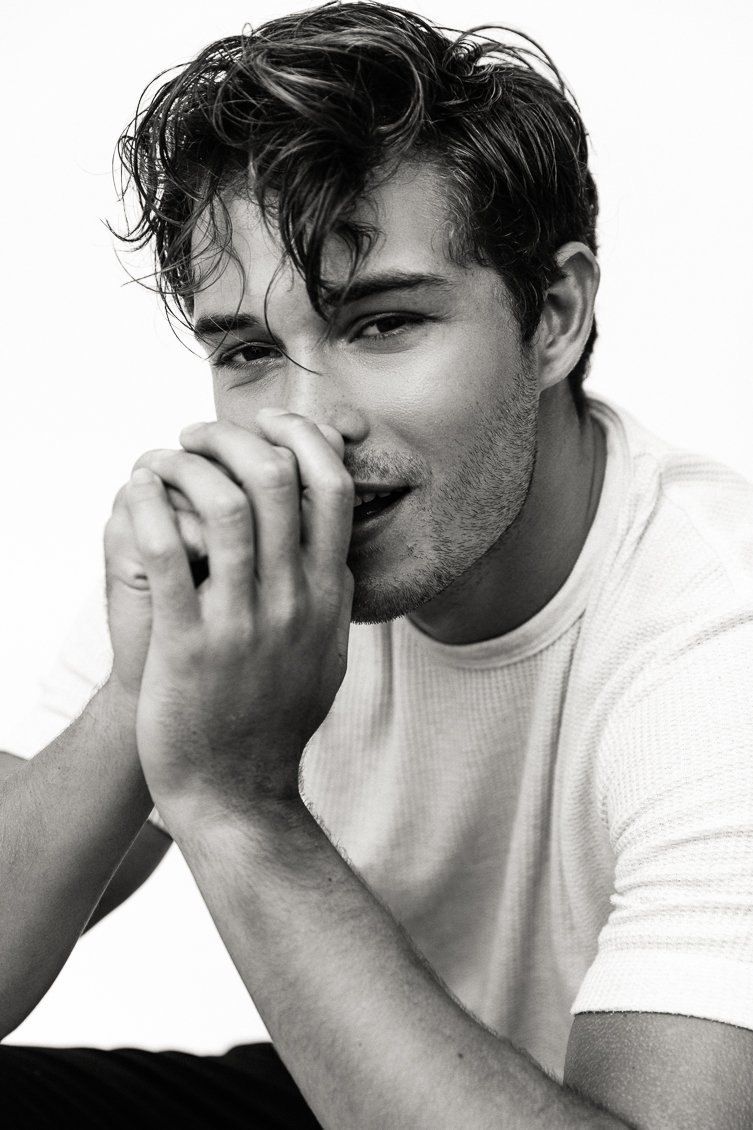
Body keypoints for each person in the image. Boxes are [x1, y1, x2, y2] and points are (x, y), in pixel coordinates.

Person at [2, 2, 753, 1125]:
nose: (309, 425)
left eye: (382, 323)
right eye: (249, 350)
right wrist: (142, 692)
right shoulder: (249, 546)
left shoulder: (718, 635)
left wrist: (239, 805)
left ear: (554, 315)